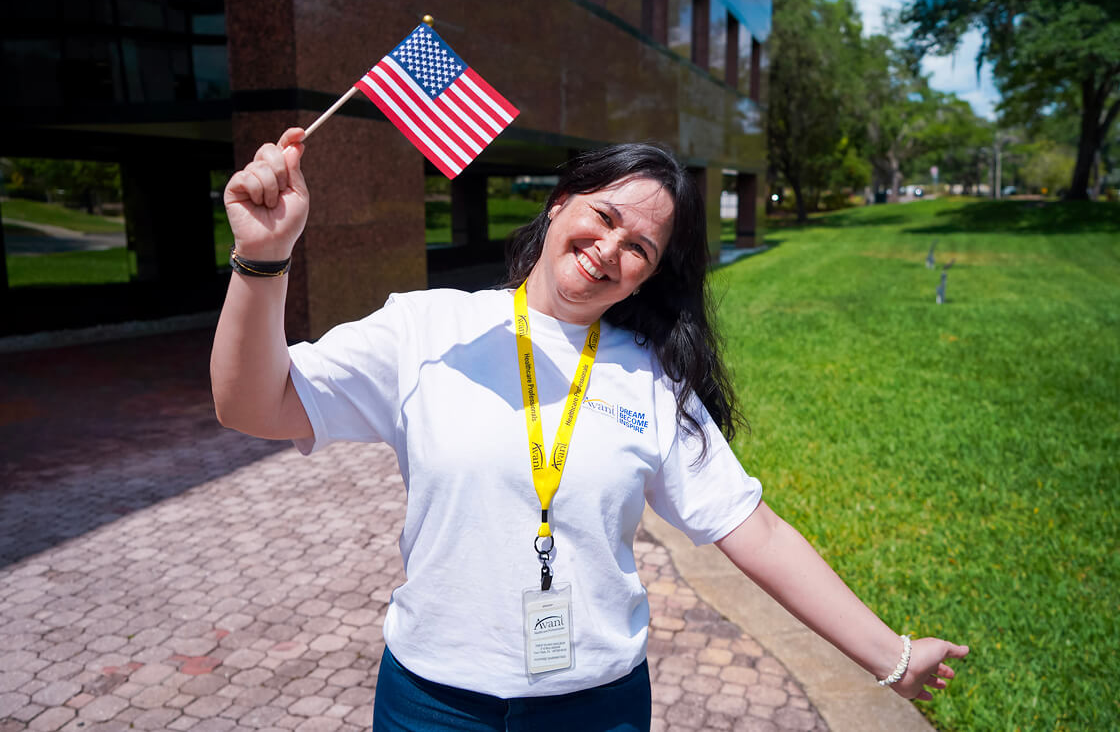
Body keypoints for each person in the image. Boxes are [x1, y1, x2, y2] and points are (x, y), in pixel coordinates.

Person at [211, 127, 969, 731]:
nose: (610, 249)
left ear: (649, 273)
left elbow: (754, 528)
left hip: (593, 707)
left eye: (638, 246)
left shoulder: (650, 376)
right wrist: (263, 257)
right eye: (602, 217)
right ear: (560, 203)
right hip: (433, 701)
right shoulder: (428, 326)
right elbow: (251, 405)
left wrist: (892, 657)